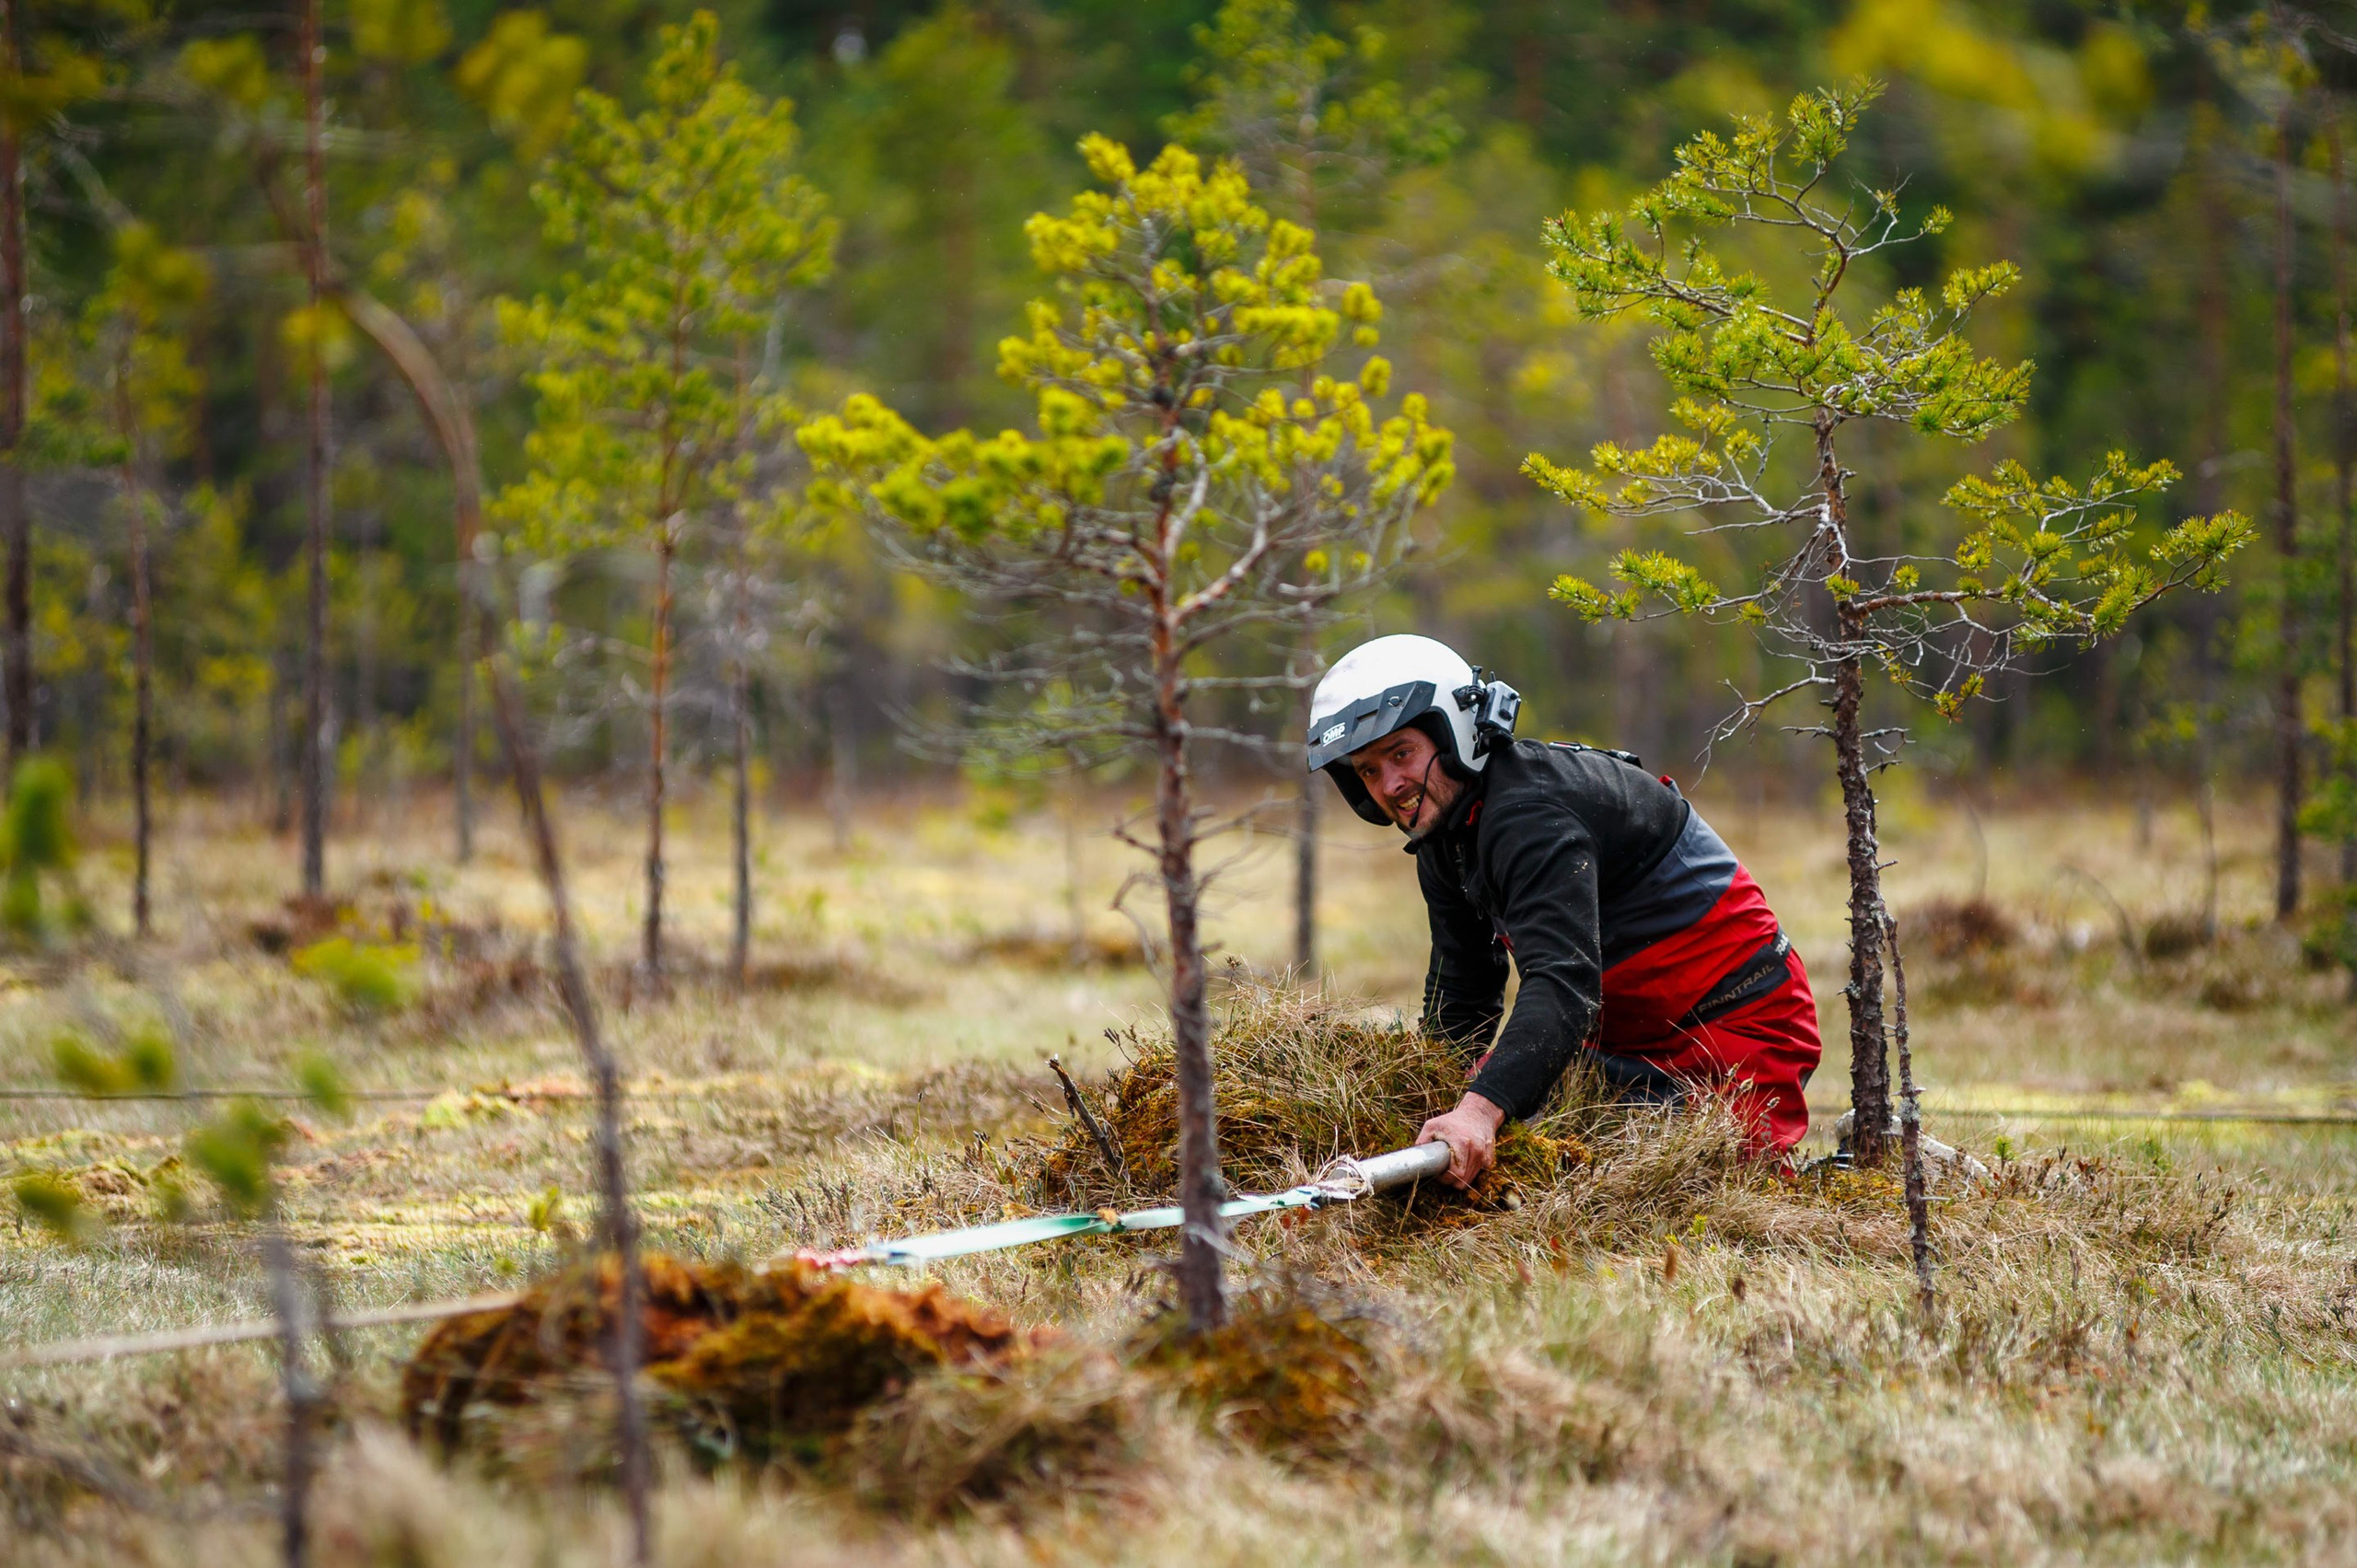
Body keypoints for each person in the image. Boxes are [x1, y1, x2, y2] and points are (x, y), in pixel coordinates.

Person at [1306, 634, 1821, 1187]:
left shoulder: (1530, 814)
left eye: (1401, 754)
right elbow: (1465, 985)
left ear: (1452, 731)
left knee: (1678, 1197)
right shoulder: (1446, 836)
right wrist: (1427, 1095)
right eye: (1367, 771)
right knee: (1539, 1172)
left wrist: (1478, 1112)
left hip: (1737, 1031)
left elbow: (1564, 984)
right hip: (1617, 1044)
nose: (1391, 786)